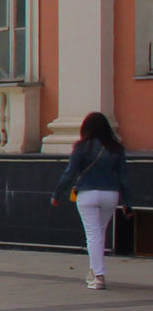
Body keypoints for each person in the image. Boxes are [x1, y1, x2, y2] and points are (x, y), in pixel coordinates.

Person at [53, 111, 129, 290]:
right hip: (110, 194)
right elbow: (124, 178)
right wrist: (127, 202)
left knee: (93, 235)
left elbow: (69, 174)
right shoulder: (116, 148)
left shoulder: (81, 147)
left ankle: (99, 276)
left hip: (87, 194)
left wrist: (57, 194)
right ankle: (94, 271)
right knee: (99, 234)